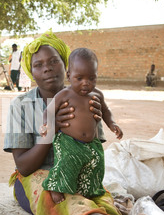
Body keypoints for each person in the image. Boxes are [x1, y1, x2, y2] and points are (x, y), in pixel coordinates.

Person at [3, 30, 164, 215]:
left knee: (98, 202)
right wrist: (51, 130)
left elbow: (92, 148)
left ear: (65, 66)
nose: (47, 68)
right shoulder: (21, 106)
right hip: (37, 179)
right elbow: (23, 166)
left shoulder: (88, 97)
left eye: (53, 61)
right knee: (69, 205)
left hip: (80, 173)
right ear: (30, 72)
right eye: (38, 64)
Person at [40, 48, 123, 204]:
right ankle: (56, 186)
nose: (86, 83)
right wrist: (45, 124)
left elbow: (106, 111)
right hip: (67, 141)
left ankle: (87, 189)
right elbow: (48, 111)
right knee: (67, 161)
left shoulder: (97, 95)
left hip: (92, 143)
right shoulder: (64, 94)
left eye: (92, 78)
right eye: (79, 78)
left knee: (96, 162)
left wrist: (112, 124)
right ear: (69, 75)